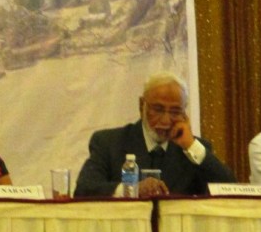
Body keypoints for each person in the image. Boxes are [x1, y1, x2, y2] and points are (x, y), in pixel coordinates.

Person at [74, 72, 236, 198]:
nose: (165, 120)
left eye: (175, 112)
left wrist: (190, 145)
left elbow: (230, 189)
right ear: (141, 106)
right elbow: (84, 189)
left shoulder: (193, 150)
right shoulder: (109, 143)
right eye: (158, 110)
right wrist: (132, 190)